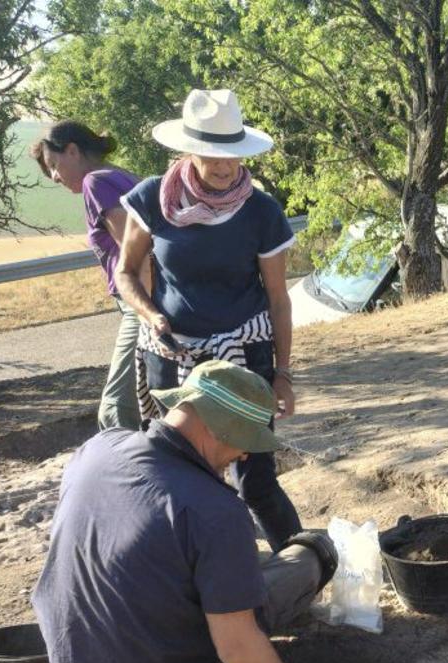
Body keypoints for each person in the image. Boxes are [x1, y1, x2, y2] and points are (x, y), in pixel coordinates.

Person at [32, 360, 339, 663]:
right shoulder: (215, 511)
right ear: (218, 427)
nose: (244, 455)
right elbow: (237, 649)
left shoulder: (98, 448)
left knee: (229, 560)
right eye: (245, 440)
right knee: (310, 552)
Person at [114, 88, 302, 549]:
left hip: (243, 358)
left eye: (232, 156)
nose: (224, 167)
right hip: (172, 354)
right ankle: (193, 573)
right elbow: (126, 273)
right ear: (189, 151)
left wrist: (282, 373)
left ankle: (307, 564)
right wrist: (151, 314)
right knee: (177, 475)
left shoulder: (261, 212)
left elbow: (278, 299)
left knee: (255, 479)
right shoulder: (152, 199)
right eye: (212, 156)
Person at [31, 122, 149, 431]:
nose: (54, 177)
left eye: (53, 165)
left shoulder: (96, 182)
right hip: (152, 302)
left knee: (117, 411)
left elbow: (137, 254)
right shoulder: (122, 176)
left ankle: (123, 461)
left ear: (72, 150)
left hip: (141, 305)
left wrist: (148, 315)